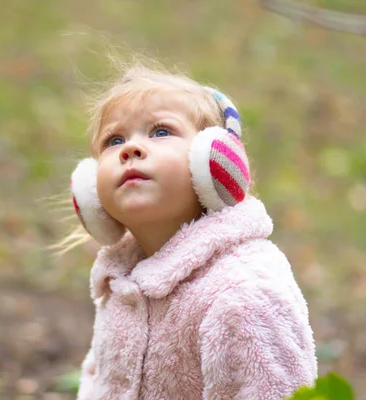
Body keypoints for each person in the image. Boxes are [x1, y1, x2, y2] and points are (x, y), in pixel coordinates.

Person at [65, 61, 317, 400]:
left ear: (212, 164)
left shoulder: (243, 291)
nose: (130, 149)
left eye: (160, 132)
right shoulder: (123, 284)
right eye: (114, 139)